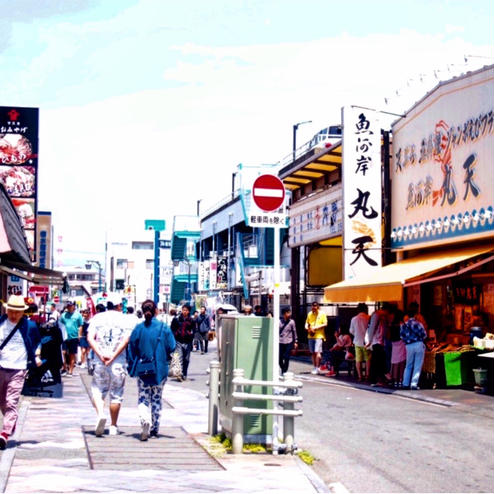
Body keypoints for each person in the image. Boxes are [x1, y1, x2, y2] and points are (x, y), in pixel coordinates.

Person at [127, 300, 176, 440]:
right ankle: (155, 428)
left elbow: (132, 348)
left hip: (143, 369)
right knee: (156, 398)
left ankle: (144, 420)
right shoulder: (163, 328)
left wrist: (132, 366)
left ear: (142, 311)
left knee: (143, 397)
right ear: (156, 310)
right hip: (160, 369)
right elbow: (172, 346)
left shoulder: (138, 328)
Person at [0, 295, 42, 449]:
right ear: (7, 309)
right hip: (1, 367)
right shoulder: (1, 323)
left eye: (17, 312)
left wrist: (37, 355)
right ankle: (11, 421)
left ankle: (4, 434)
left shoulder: (30, 326)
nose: (14, 315)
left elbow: (38, 341)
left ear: (23, 312)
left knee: (12, 402)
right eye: (11, 311)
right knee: (2, 402)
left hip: (18, 368)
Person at [87, 299, 134, 436]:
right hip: (118, 361)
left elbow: (90, 338)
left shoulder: (97, 318)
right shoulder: (125, 319)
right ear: (119, 305)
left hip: (100, 360)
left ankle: (101, 414)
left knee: (97, 390)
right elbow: (126, 340)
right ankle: (113, 426)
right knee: (116, 394)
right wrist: (113, 356)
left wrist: (101, 355)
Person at [400, 307, 427, 390]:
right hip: (418, 344)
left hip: (408, 346)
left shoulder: (403, 325)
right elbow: (424, 335)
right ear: (415, 315)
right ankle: (414, 383)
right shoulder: (418, 324)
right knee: (417, 365)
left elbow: (401, 336)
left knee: (408, 365)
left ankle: (405, 383)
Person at [365, 303, 391, 386]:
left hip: (379, 341)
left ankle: (375, 379)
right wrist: (369, 341)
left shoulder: (381, 317)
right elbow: (372, 328)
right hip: (376, 341)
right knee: (377, 361)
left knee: (377, 361)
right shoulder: (377, 315)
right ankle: (374, 379)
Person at [170, 304, 196, 381]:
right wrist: (175, 334)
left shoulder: (191, 320)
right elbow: (172, 328)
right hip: (178, 341)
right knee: (179, 357)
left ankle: (184, 374)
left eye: (186, 310)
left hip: (188, 342)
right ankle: (179, 374)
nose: (184, 311)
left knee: (186, 359)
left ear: (188, 311)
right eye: (183, 310)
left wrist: (191, 336)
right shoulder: (177, 319)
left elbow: (194, 330)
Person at [59, 300, 83, 376]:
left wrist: (79, 335)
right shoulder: (63, 315)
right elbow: (60, 325)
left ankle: (71, 370)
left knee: (72, 354)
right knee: (63, 352)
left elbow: (80, 325)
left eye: (70, 305)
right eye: (68, 305)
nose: (69, 307)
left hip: (74, 337)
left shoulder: (78, 315)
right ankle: (64, 367)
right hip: (64, 337)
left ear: (73, 306)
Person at [349, 303, 370, 381]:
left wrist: (356, 334)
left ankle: (360, 376)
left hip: (357, 341)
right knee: (367, 359)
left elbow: (351, 331)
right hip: (367, 342)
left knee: (358, 360)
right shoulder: (368, 318)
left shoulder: (354, 319)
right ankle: (367, 375)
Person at [305, 302, 327, 374]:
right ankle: (315, 367)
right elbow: (307, 322)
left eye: (315, 307)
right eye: (313, 307)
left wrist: (316, 327)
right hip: (310, 335)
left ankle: (317, 367)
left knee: (317, 351)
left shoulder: (322, 314)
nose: (314, 308)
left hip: (319, 335)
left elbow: (325, 323)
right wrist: (306, 327)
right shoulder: (309, 314)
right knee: (312, 352)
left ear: (318, 307)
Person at [390, 309, 406, 388]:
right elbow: (404, 335)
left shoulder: (392, 324)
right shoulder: (401, 324)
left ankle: (394, 378)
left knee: (394, 361)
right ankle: (400, 379)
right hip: (401, 343)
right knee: (401, 361)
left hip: (394, 344)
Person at [279, 308, 298, 374]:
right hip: (280, 341)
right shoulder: (279, 321)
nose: (289, 314)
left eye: (290, 312)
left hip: (289, 341)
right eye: (288, 313)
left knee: (287, 357)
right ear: (284, 314)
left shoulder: (292, 322)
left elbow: (294, 331)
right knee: (279, 357)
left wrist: (296, 341)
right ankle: (282, 367)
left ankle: (284, 371)